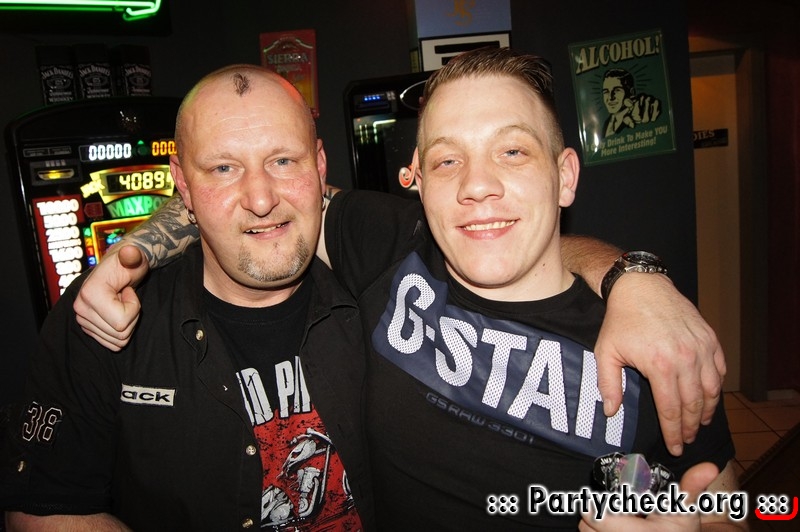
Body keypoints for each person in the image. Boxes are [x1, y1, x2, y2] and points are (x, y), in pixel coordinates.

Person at [71, 49, 737, 529]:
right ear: (416, 177)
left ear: (565, 175)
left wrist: (636, 280)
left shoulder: (657, 349)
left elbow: (726, 506)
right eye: (448, 159)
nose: (477, 185)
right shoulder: (388, 250)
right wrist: (132, 253)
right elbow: (256, 195)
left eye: (512, 151)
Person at [1, 65, 373, 530]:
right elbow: (41, 509)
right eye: (223, 168)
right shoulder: (103, 311)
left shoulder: (383, 285)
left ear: (319, 165)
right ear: (183, 183)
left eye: (283, 161)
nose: (261, 199)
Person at [602, 68, 662, 137]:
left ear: (632, 93)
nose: (610, 97)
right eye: (606, 92)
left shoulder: (637, 115)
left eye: (617, 90)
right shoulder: (606, 123)